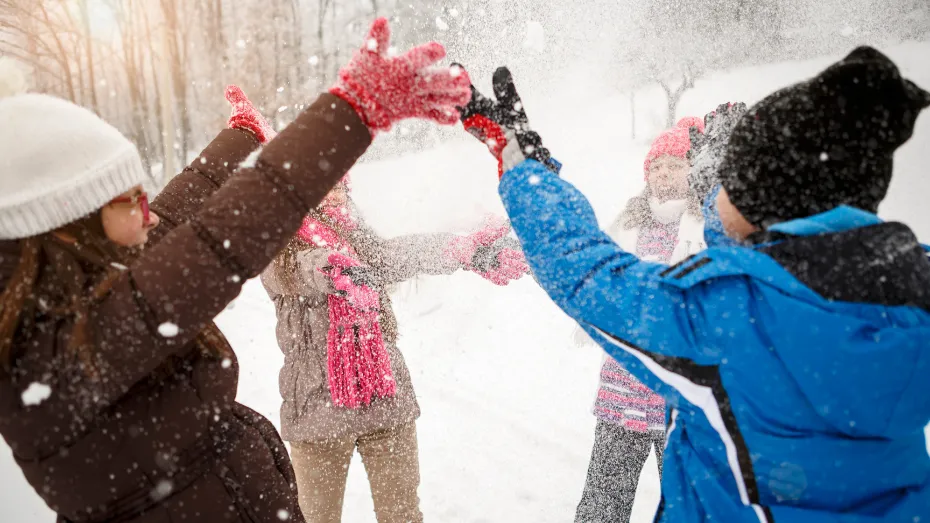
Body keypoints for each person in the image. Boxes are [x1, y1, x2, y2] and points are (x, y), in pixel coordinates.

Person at [0, 18, 470, 523]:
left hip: (379, 408)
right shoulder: (55, 347)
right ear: (68, 228)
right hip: (319, 418)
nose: (149, 210)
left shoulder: (90, 283)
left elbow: (177, 217)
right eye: (128, 198)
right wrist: (348, 115)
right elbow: (216, 247)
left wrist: (239, 141)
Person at [459, 47, 930, 522]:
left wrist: (524, 167)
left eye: (723, 181)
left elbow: (585, 271)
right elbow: (770, 249)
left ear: (755, 203)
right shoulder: (913, 293)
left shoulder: (727, 315)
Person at [261, 173, 527, 522]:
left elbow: (394, 254)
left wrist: (461, 250)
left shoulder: (357, 238)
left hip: (384, 397)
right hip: (317, 412)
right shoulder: (276, 244)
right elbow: (292, 272)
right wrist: (332, 268)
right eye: (324, 185)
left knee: (402, 516)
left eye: (341, 185)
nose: (337, 194)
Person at [573, 116, 707, 523]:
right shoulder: (626, 224)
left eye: (674, 164)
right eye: (656, 165)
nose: (663, 173)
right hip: (622, 390)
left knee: (691, 508)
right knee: (602, 507)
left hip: (680, 397)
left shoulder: (708, 225)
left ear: (694, 171)